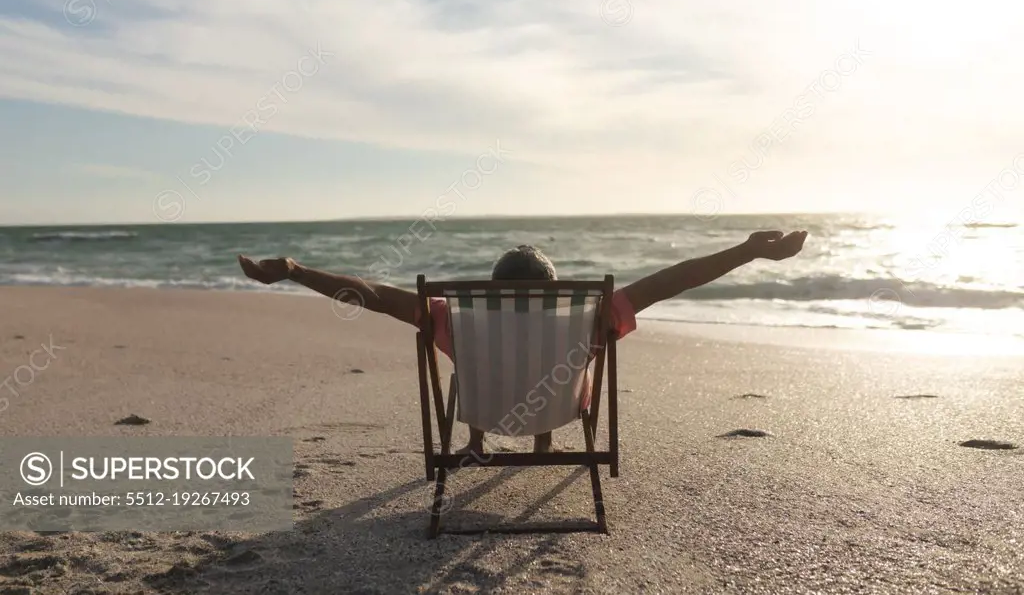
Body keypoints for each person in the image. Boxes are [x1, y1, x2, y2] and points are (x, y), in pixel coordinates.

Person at [238, 229, 809, 453]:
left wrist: (295, 269)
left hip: (487, 406)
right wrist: (748, 251)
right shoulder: (586, 319)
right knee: (565, 366)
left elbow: (374, 294)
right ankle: (544, 444)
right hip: (556, 412)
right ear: (554, 291)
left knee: (476, 364)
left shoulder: (458, 320)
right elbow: (671, 280)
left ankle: (476, 443)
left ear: (492, 289)